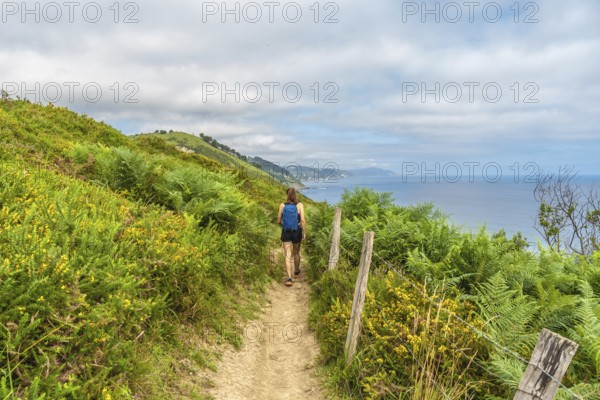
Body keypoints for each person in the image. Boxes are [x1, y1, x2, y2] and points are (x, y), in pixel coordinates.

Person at [277, 188, 306, 287]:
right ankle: (296, 271)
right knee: (296, 253)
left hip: (286, 232)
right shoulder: (300, 205)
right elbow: (302, 220)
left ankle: (289, 278)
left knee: (288, 255)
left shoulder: (282, 205)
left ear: (287, 195)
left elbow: (278, 220)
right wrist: (304, 232)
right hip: (297, 231)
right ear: (295, 195)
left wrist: (284, 224)